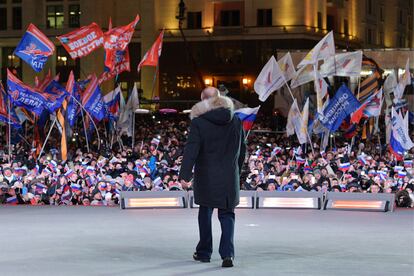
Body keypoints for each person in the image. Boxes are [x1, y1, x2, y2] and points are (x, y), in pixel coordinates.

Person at [179, 86, 246, 268]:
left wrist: (184, 175)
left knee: (205, 213)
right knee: (227, 215)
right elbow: (242, 152)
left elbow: (191, 150)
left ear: (203, 101)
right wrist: (235, 172)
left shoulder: (199, 123)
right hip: (228, 177)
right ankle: (228, 254)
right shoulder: (236, 121)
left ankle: (204, 253)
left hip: (206, 176)